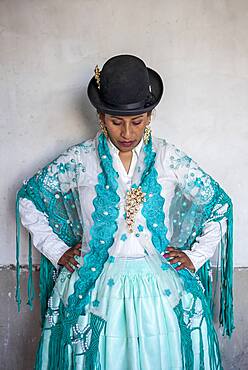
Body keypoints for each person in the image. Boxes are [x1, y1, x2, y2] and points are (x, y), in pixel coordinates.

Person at [16, 54, 234, 370]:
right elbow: (29, 199)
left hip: (157, 287)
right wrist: (58, 251)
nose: (127, 133)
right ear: (101, 117)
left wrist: (196, 257)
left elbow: (219, 205)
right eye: (116, 122)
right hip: (96, 286)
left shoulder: (166, 158)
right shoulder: (82, 160)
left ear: (150, 117)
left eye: (137, 121)